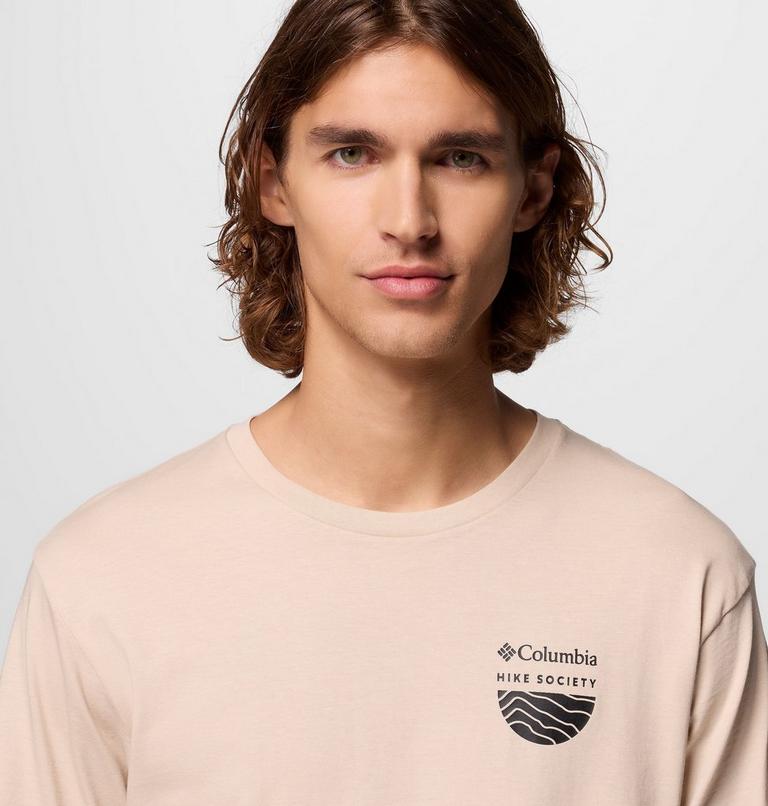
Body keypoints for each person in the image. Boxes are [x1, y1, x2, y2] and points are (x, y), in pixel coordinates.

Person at [1, 0, 766, 803]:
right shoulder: (103, 580)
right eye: (352, 154)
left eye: (461, 158)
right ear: (273, 182)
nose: (409, 222)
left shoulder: (679, 576)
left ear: (534, 189)